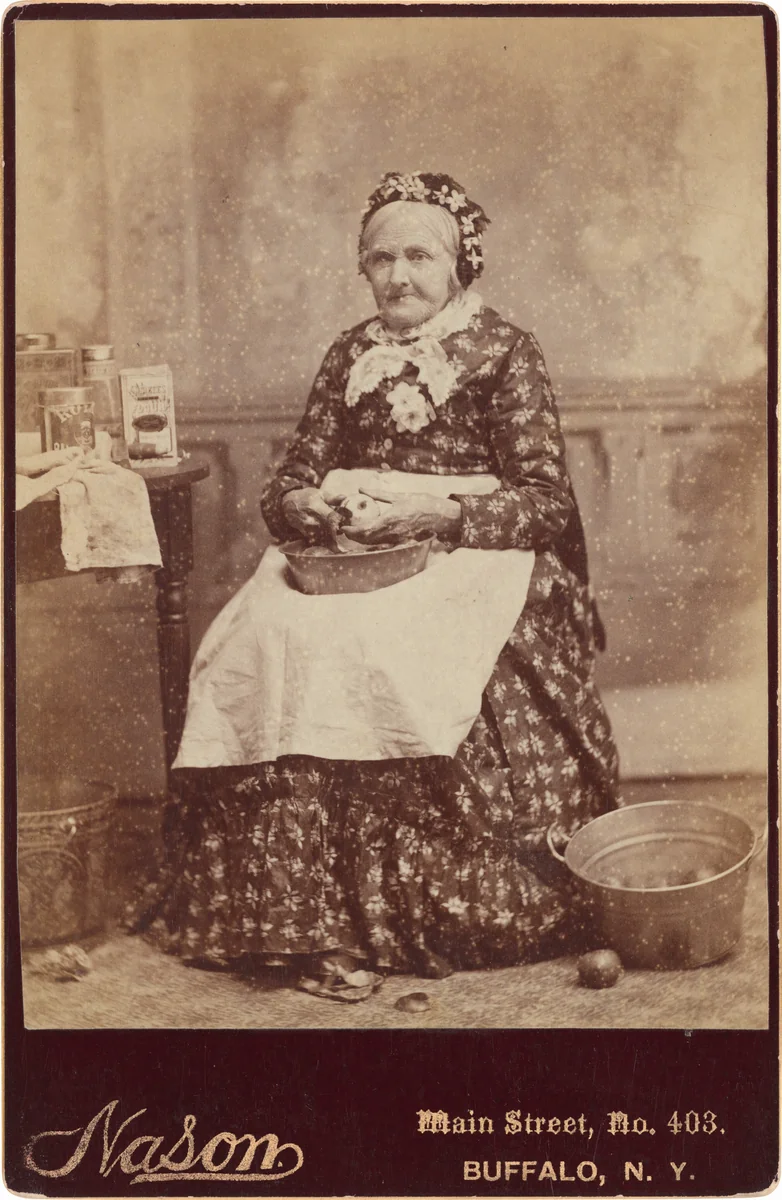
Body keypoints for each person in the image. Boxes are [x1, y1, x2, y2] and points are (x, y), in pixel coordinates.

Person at [133, 172, 619, 985]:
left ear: (461, 262)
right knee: (267, 633)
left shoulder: (504, 350)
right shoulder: (351, 352)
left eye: (419, 256)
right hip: (354, 553)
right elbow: (288, 480)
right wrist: (303, 508)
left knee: (387, 645)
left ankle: (392, 908)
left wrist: (433, 518)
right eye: (380, 258)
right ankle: (292, 912)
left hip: (472, 553)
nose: (398, 276)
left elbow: (544, 505)